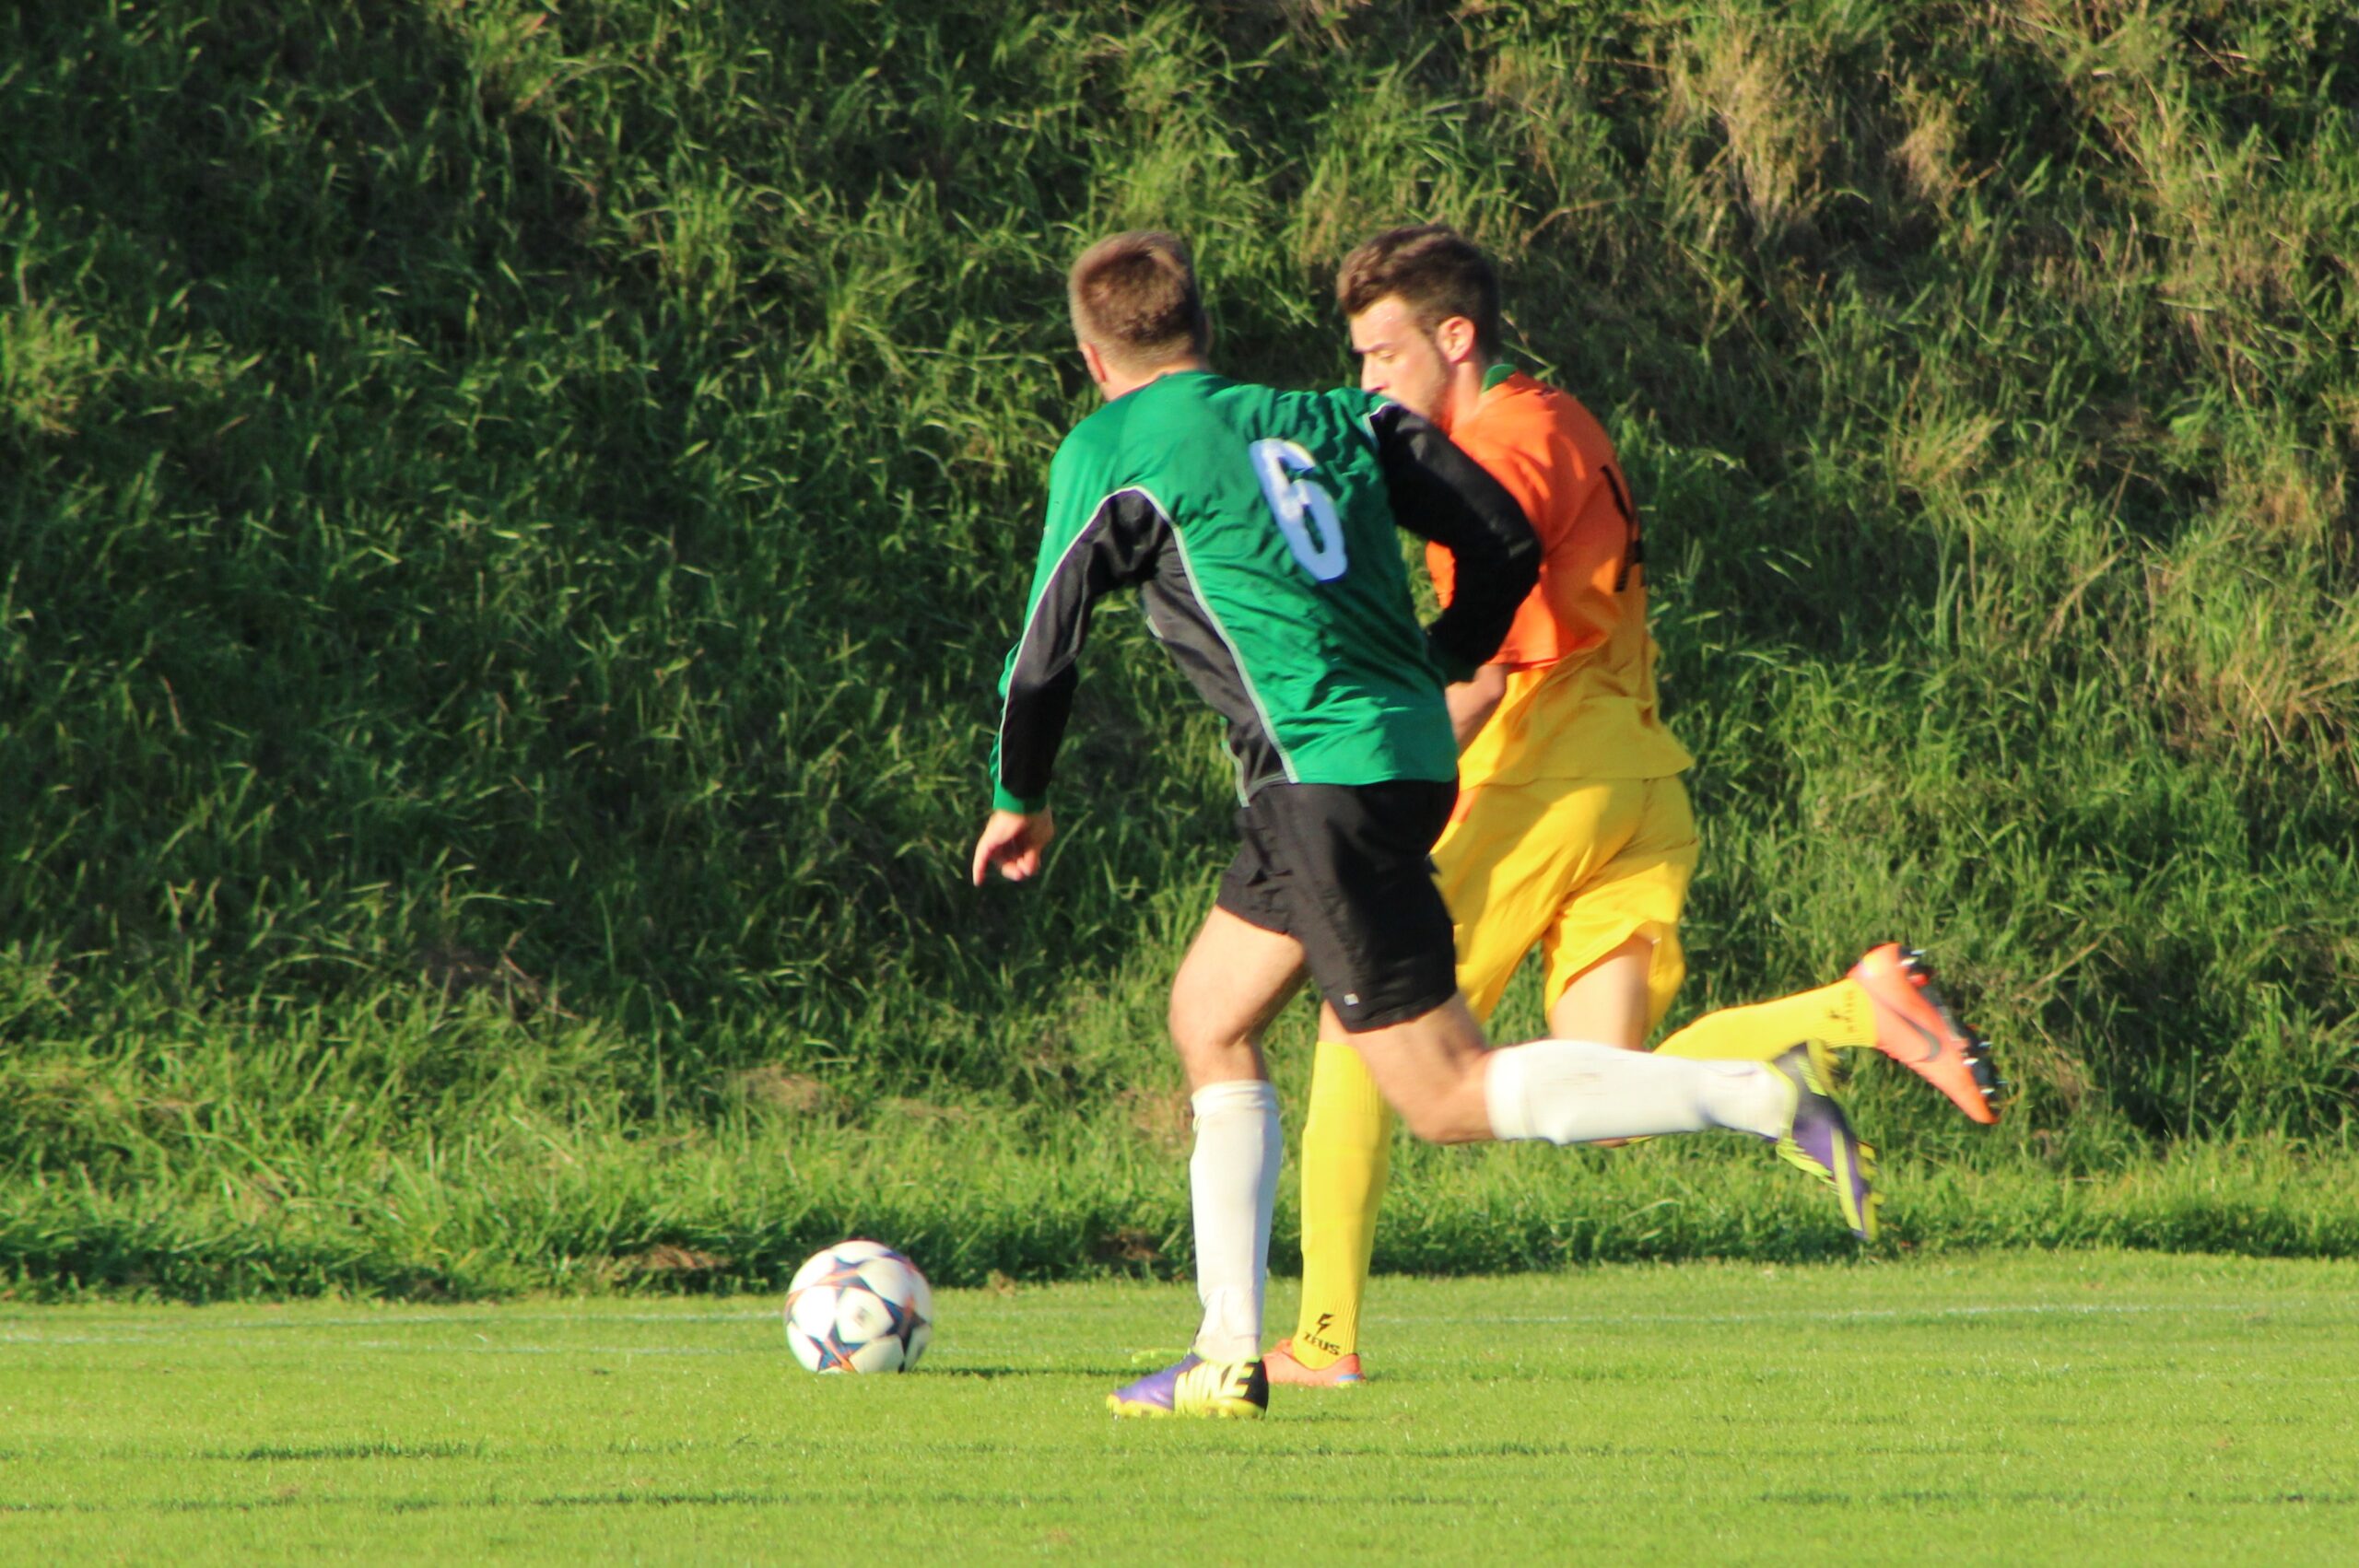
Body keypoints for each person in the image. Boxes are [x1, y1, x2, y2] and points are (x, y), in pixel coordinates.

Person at [973, 231, 1879, 1421]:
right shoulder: (1330, 416)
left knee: (1445, 1095)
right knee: (1209, 1014)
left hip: (1323, 784)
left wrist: (1019, 796)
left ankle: (1755, 1092)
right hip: (1386, 763)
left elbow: (1042, 656)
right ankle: (1226, 1353)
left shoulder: (1112, 448)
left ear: (1096, 360)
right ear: (1204, 329)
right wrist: (1442, 654)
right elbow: (1499, 535)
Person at [1266, 226, 2001, 1388]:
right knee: (1605, 1088)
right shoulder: (1558, 416)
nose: (1367, 382)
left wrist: (1358, 781)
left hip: (1535, 779)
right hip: (1634, 780)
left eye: (1382, 354)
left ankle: (1322, 1340)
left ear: (1454, 338)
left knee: (1360, 1030)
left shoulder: (1499, 450)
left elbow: (1486, 671)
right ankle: (1849, 1013)